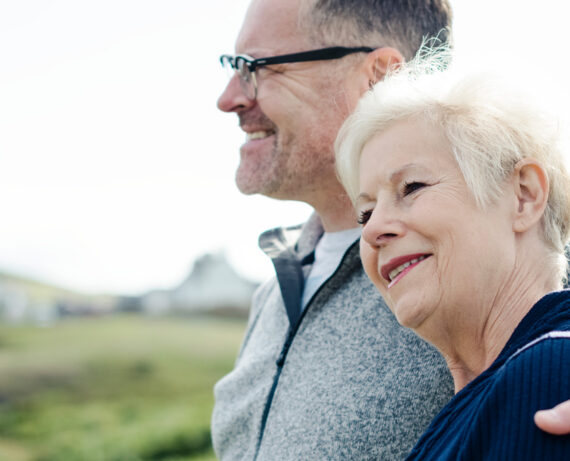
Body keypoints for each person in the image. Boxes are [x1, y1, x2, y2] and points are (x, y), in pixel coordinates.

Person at [213, 0, 455, 459]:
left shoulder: (481, 264)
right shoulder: (277, 285)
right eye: (233, 66)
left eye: (256, 68)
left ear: (380, 78)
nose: (229, 99)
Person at [335, 49, 570, 459]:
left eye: (411, 187)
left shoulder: (548, 376)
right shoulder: (491, 396)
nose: (373, 229)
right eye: (366, 212)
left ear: (524, 196)